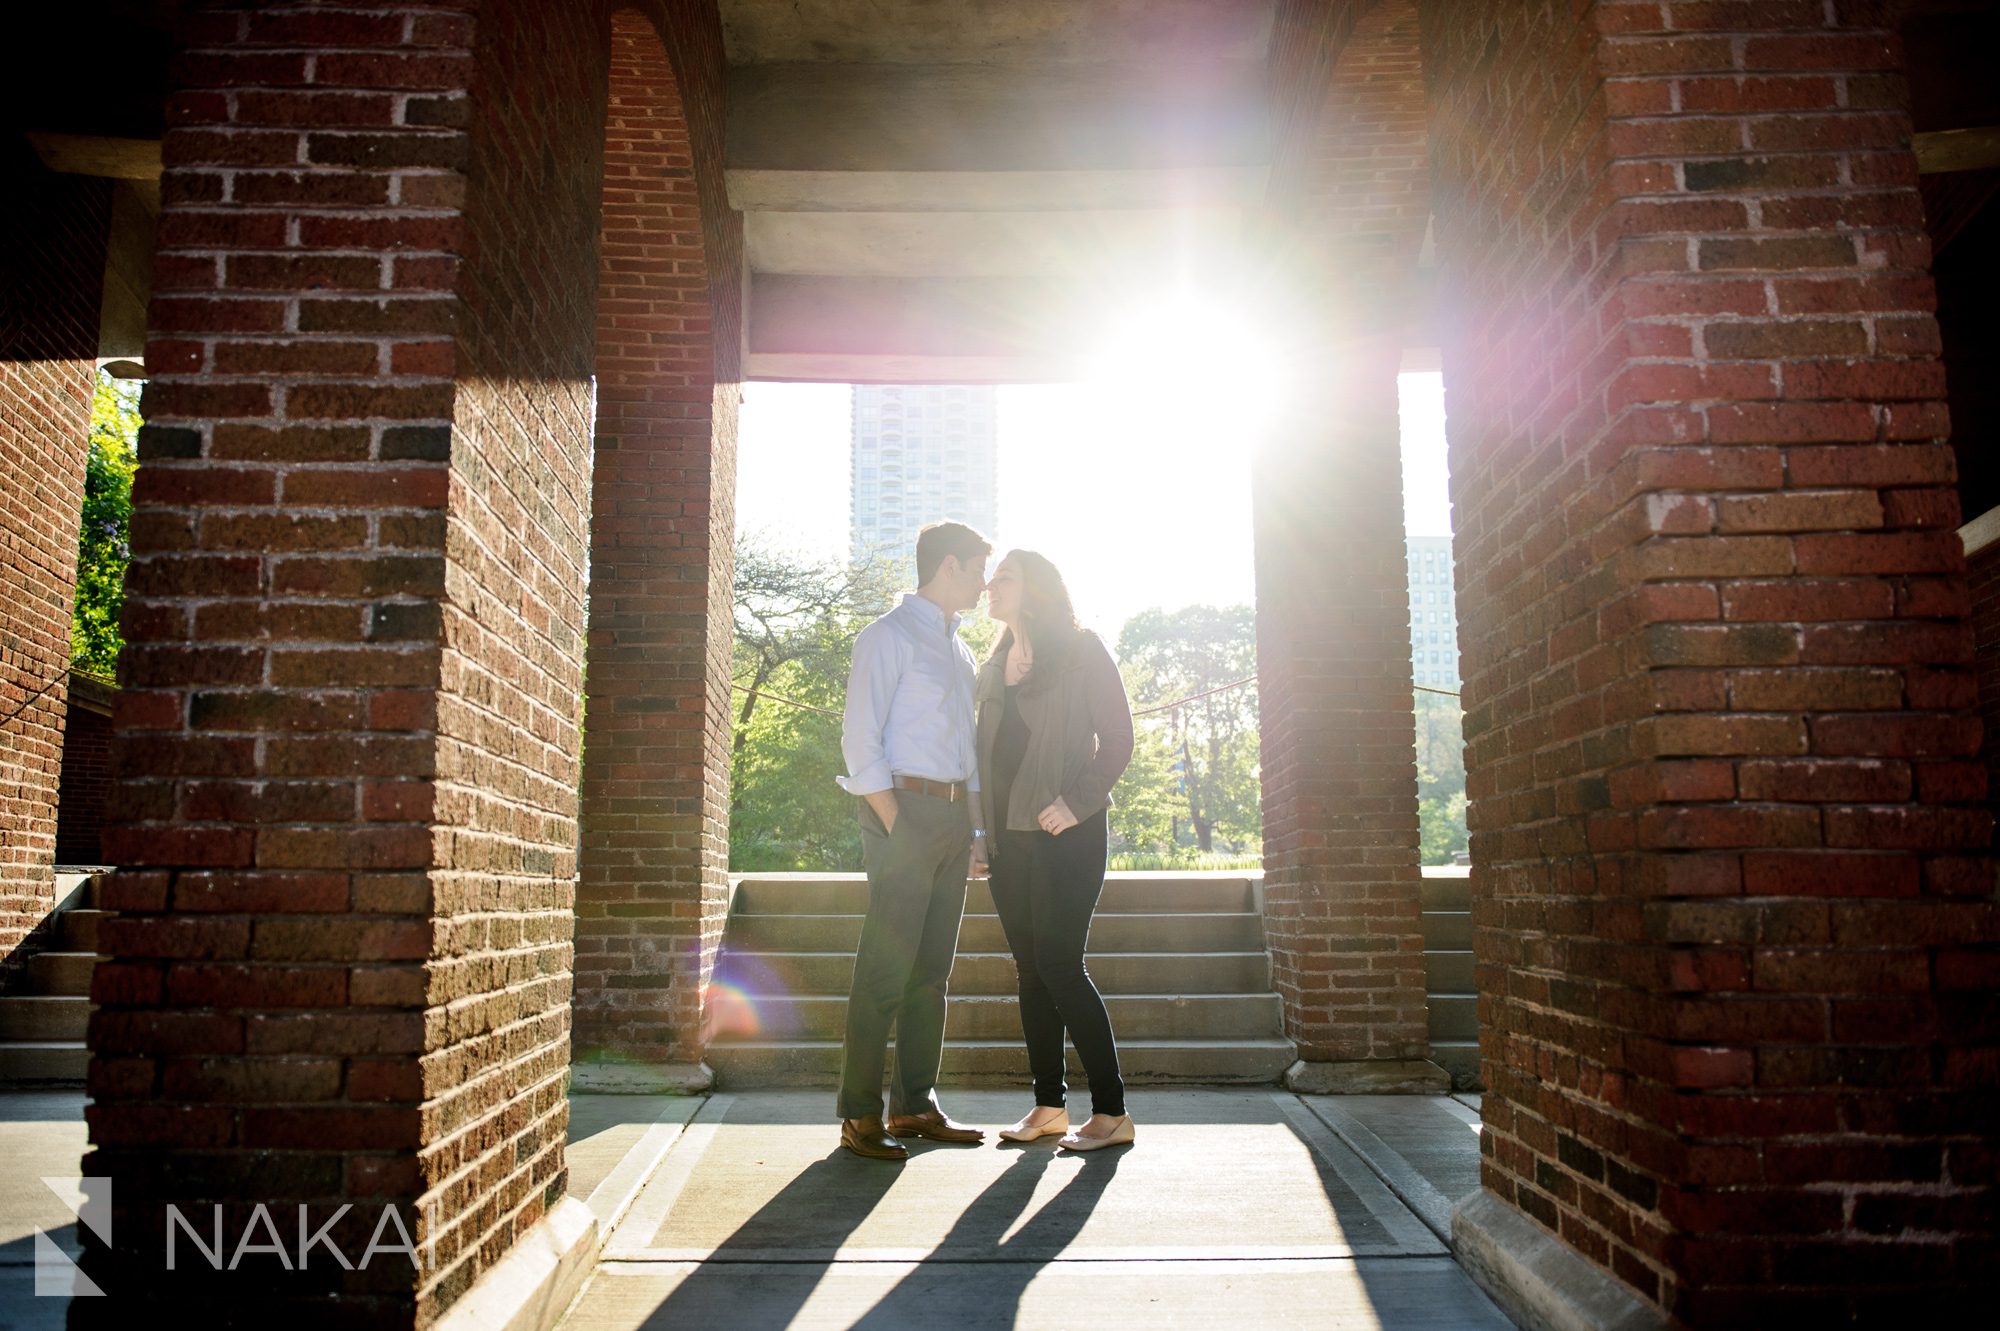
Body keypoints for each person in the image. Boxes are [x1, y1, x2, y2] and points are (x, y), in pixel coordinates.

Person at [834, 521, 994, 1160]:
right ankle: (859, 1116)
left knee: (931, 974)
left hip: (954, 822)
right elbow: (859, 738)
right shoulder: (887, 637)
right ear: (950, 566)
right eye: (980, 568)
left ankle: (914, 1107)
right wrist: (897, 822)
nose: (985, 580)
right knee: (885, 970)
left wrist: (975, 831)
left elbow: (970, 754)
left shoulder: (961, 652)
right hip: (903, 812)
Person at [975, 550, 1136, 1150]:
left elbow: (1119, 738)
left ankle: (1113, 1112)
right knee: (1030, 973)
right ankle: (1048, 1108)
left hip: (1069, 835)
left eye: (1004, 578)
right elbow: (983, 761)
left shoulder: (1080, 649)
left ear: (1035, 589)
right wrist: (979, 833)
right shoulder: (992, 668)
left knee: (1063, 967)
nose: (991, 586)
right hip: (1007, 842)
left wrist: (1077, 801)